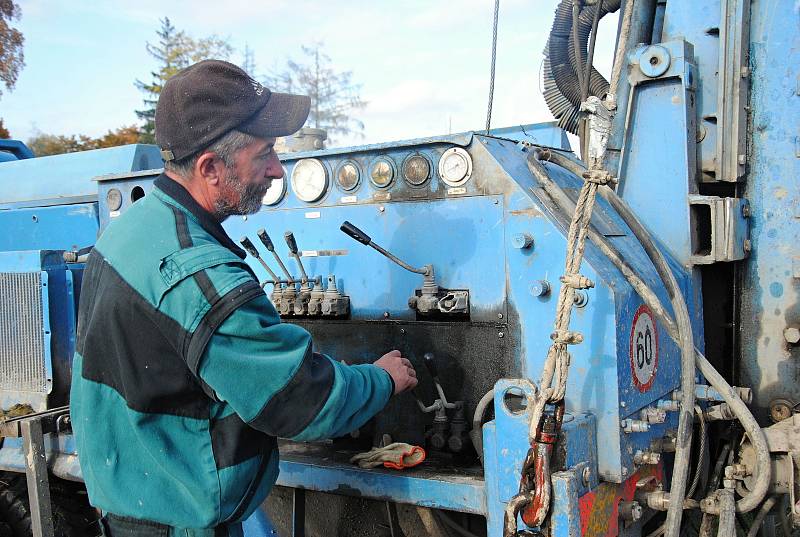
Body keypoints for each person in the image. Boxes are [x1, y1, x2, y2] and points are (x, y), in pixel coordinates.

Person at [70, 59, 418, 537]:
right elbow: (301, 402)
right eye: (266, 153)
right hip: (181, 523)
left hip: (136, 497)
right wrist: (381, 379)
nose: (277, 170)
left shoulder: (130, 229)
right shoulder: (200, 276)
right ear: (211, 168)